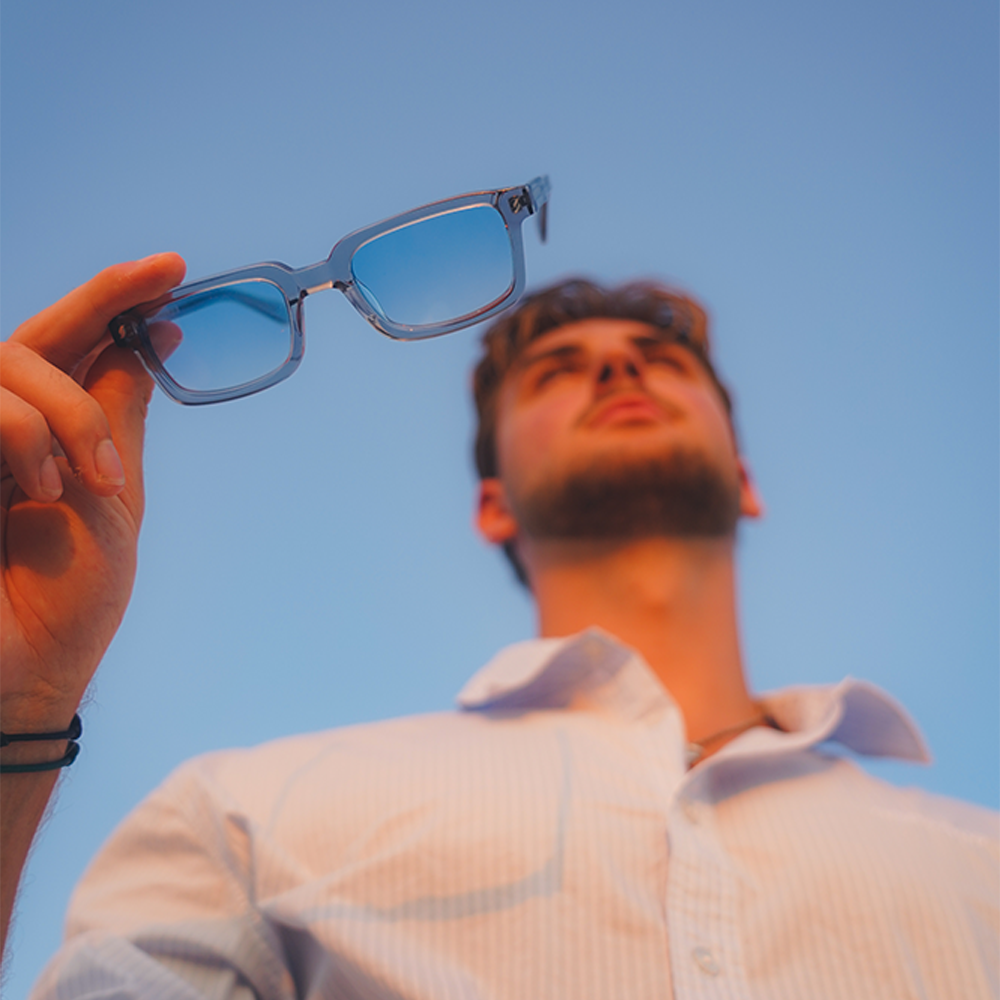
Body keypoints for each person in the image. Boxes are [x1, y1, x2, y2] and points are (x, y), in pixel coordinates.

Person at [1, 256, 997, 998]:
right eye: (562, 369)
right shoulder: (250, 814)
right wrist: (20, 708)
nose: (618, 373)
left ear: (744, 479)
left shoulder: (978, 866)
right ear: (492, 503)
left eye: (657, 360)